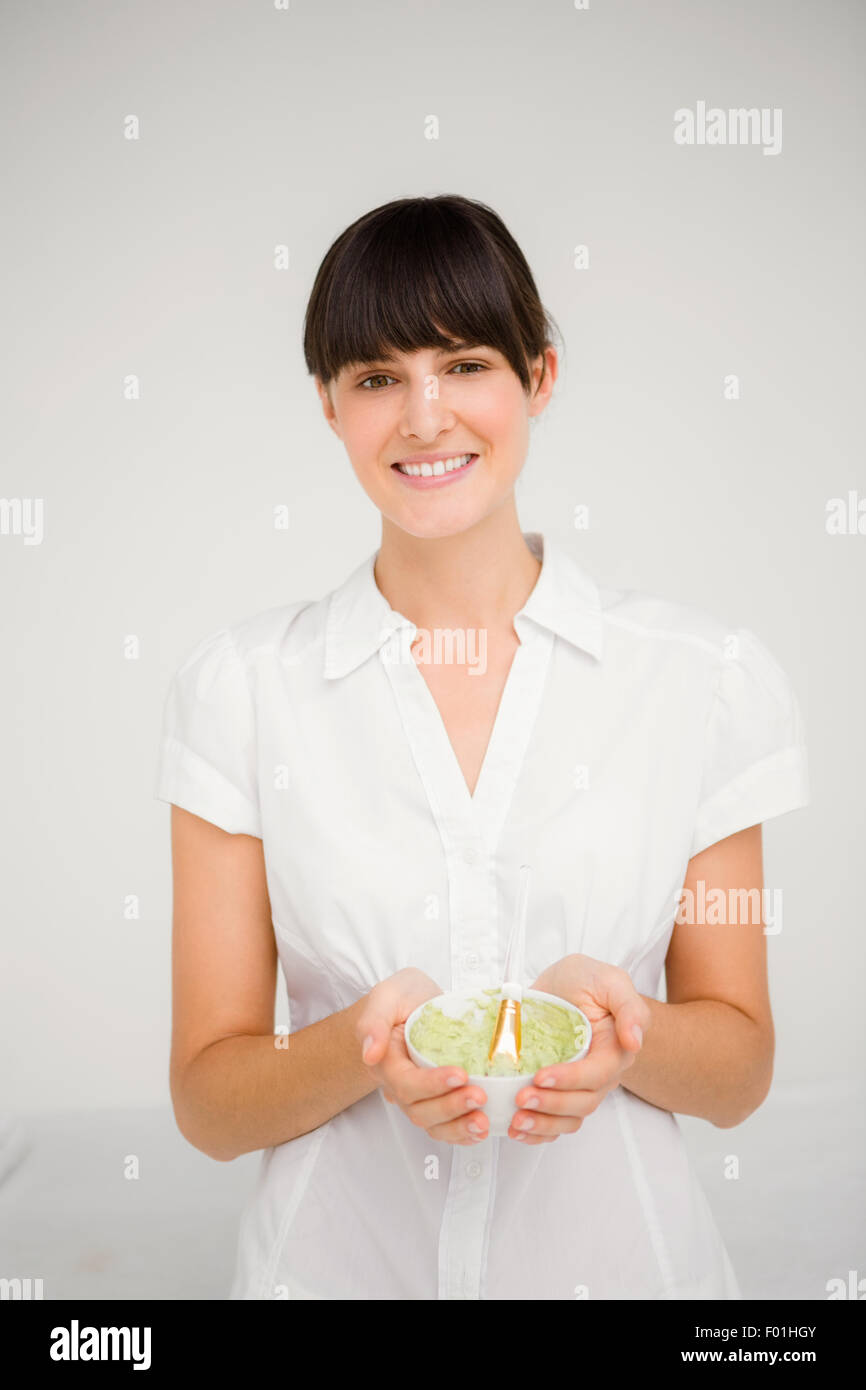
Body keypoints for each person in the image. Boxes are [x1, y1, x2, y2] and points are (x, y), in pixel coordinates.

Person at [155, 194, 810, 1300]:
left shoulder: (700, 680)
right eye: (374, 378)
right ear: (327, 406)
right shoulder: (241, 691)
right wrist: (357, 1047)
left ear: (537, 379)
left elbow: (738, 1067)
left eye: (463, 364)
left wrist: (627, 1030)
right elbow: (211, 1101)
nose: (423, 416)